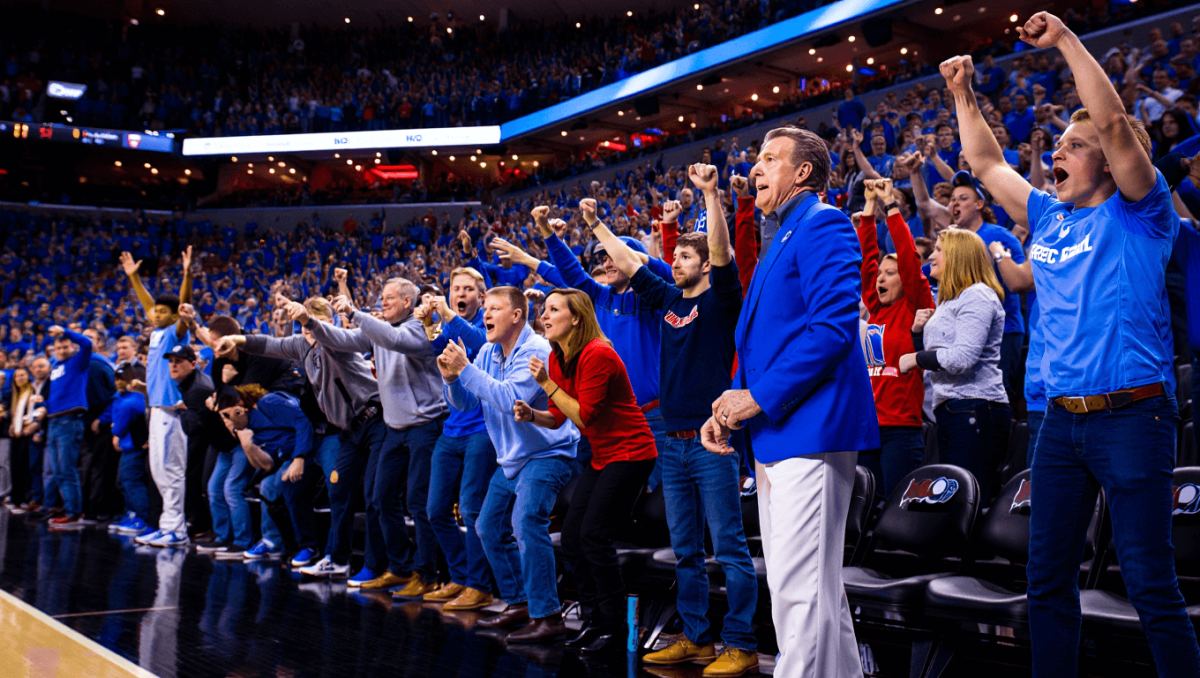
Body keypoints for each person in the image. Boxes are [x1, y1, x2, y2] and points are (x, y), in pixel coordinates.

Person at [943, 12, 1200, 675]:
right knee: (1047, 581)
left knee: (1148, 583)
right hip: (1059, 424)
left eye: (1073, 144)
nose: (1058, 151)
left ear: (1113, 163)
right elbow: (985, 163)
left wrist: (1063, 41)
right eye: (1058, 141)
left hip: (1133, 418)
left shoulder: (1142, 213)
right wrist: (963, 93)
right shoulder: (1051, 216)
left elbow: (1115, 125)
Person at [702, 125, 879, 678]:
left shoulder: (823, 222)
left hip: (814, 429)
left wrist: (757, 398)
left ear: (803, 172)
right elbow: (758, 339)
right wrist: (730, 405)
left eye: (769, 158)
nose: (755, 168)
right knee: (806, 590)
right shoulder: (780, 234)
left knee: (798, 593)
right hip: (780, 431)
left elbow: (832, 331)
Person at [582, 165, 760, 675]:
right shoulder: (665, 300)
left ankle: (742, 643)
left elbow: (724, 252)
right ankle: (697, 637)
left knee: (727, 548)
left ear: (704, 266)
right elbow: (630, 265)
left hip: (714, 442)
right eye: (676, 254)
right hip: (675, 443)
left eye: (684, 256)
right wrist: (597, 225)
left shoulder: (723, 300)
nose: (673, 262)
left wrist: (710, 196)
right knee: (685, 549)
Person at [513, 288, 657, 654]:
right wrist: (533, 415)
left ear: (576, 318)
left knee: (594, 534)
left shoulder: (598, 354)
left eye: (554, 310)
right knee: (574, 535)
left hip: (632, 453)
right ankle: (594, 619)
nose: (544, 316)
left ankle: (615, 627)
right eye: (544, 310)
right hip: (603, 455)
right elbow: (560, 416)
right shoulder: (559, 357)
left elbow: (585, 415)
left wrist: (546, 384)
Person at [438, 286, 579, 645]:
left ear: (516, 315)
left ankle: (548, 615)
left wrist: (465, 368)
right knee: (486, 525)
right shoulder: (486, 351)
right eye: (485, 308)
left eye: (494, 308)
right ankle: (519, 601)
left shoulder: (538, 350)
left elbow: (507, 398)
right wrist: (452, 379)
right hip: (513, 458)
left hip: (548, 454)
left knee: (526, 521)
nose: (485, 314)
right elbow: (466, 405)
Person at [215, 296, 385, 583]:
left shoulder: (337, 340)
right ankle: (316, 549)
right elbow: (269, 345)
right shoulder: (302, 344)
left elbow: (324, 332)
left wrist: (309, 320)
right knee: (293, 488)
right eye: (303, 327)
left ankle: (344, 558)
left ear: (328, 321)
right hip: (338, 430)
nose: (308, 332)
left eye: (313, 324)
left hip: (365, 421)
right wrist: (236, 338)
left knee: (349, 493)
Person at [309, 278, 448, 597]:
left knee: (418, 501)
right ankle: (399, 568)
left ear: (408, 302)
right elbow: (344, 340)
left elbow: (396, 340)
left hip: (426, 426)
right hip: (395, 428)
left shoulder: (420, 327)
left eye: (390, 298)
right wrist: (309, 323)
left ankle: (427, 574)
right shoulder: (380, 330)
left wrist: (357, 314)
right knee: (380, 497)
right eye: (382, 297)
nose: (383, 302)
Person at [899, 229, 1010, 504]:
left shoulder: (978, 296)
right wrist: (917, 332)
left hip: (976, 406)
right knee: (955, 502)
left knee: (971, 502)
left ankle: (974, 550)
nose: (932, 256)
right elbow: (938, 358)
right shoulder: (951, 298)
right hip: (951, 409)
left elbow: (961, 359)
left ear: (958, 256)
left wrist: (916, 359)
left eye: (938, 249)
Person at [417, 268, 498, 611]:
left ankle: (479, 585)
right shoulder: (451, 321)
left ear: (481, 297)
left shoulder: (488, 323)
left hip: (482, 430)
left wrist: (447, 313)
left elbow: (477, 341)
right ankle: (460, 576)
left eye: (467, 289)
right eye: (455, 288)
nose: (459, 293)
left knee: (471, 508)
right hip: (452, 429)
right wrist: (428, 323)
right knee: (435, 510)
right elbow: (438, 342)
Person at [856, 178, 936, 501]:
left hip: (901, 430)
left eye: (889, 274)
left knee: (895, 511)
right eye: (879, 276)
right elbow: (865, 261)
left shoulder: (915, 305)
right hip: (867, 428)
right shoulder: (874, 309)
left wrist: (890, 207)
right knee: (864, 516)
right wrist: (867, 208)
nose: (880, 279)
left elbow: (907, 256)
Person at [122, 248, 194, 548]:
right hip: (156, 408)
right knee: (159, 472)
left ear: (175, 315)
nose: (156, 314)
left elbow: (183, 304)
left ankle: (177, 529)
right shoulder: (154, 334)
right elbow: (149, 305)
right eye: (155, 313)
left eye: (163, 312)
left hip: (173, 411)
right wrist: (134, 278)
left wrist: (188, 274)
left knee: (172, 472)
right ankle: (167, 525)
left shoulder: (177, 333)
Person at [946, 171, 1027, 402]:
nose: (955, 203)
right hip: (964, 332)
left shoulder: (998, 236)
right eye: (952, 199)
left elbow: (1021, 281)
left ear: (979, 204)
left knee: (999, 397)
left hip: (1003, 331)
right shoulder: (951, 241)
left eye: (962, 198)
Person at [215, 384, 316, 562]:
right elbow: (267, 465)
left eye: (226, 415)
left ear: (240, 409)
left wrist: (299, 458)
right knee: (267, 484)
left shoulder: (268, 403)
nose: (225, 421)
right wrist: (248, 446)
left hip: (309, 447)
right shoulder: (248, 428)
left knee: (281, 485)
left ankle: (300, 544)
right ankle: (273, 542)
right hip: (287, 457)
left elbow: (303, 421)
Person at [42, 325, 93, 527]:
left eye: (66, 347)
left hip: (69, 421)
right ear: (53, 350)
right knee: (58, 471)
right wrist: (42, 405)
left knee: (67, 469)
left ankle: (74, 513)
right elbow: (55, 397)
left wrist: (64, 330)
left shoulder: (77, 363)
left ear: (72, 348)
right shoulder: (54, 367)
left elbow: (87, 343)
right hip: (53, 422)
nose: (62, 350)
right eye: (59, 348)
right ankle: (65, 507)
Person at [109, 362, 152, 536]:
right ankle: (132, 514)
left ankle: (142, 517)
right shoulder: (136, 398)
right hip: (133, 447)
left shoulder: (130, 402)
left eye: (119, 378)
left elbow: (118, 429)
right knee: (126, 481)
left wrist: (114, 428)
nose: (116, 382)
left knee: (131, 481)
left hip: (133, 448)